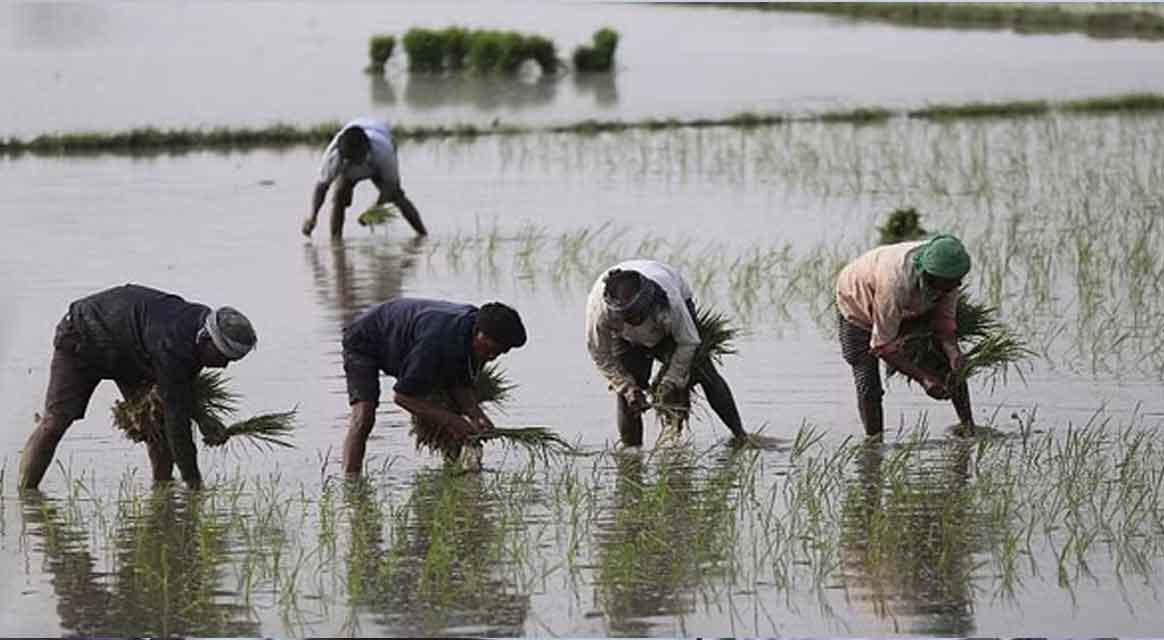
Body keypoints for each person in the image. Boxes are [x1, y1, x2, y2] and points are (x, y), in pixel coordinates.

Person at [18, 284, 258, 490]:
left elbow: (182, 391)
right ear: (206, 339)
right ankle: (25, 494)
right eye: (223, 357)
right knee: (55, 422)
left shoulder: (197, 333)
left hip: (129, 352)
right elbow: (179, 425)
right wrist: (195, 485)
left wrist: (204, 420)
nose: (224, 366)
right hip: (84, 336)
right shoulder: (174, 345)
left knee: (157, 426)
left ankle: (162, 492)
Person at [340, 298, 527, 475]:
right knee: (364, 415)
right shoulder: (437, 343)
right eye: (490, 350)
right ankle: (351, 484)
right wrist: (453, 421)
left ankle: (454, 471)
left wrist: (476, 415)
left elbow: (460, 381)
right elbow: (402, 397)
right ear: (479, 334)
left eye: (500, 352)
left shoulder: (475, 336)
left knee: (449, 409)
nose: (492, 357)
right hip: (365, 338)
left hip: (408, 340)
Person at [586, 259, 747, 447]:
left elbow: (688, 342)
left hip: (665, 327)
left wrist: (670, 381)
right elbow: (600, 354)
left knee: (705, 373)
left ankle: (741, 436)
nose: (635, 321)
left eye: (639, 316)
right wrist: (627, 387)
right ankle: (632, 457)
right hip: (624, 337)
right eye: (629, 318)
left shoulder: (670, 301)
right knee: (628, 397)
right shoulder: (600, 309)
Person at [835, 233, 974, 438]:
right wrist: (924, 379)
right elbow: (881, 345)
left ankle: (969, 428)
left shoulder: (948, 275)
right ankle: (874, 443)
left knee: (949, 367)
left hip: (911, 303)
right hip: (856, 302)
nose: (958, 286)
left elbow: (944, 323)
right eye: (951, 283)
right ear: (930, 276)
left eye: (958, 280)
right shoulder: (894, 285)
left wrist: (954, 353)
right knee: (867, 380)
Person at [302, 117, 427, 240]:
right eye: (351, 160)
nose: (355, 163)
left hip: (377, 157)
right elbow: (322, 187)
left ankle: (422, 235)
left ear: (367, 149)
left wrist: (373, 211)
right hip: (349, 164)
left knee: (397, 196)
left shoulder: (383, 152)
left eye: (358, 159)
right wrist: (313, 216)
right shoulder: (335, 157)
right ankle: (336, 242)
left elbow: (391, 186)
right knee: (339, 195)